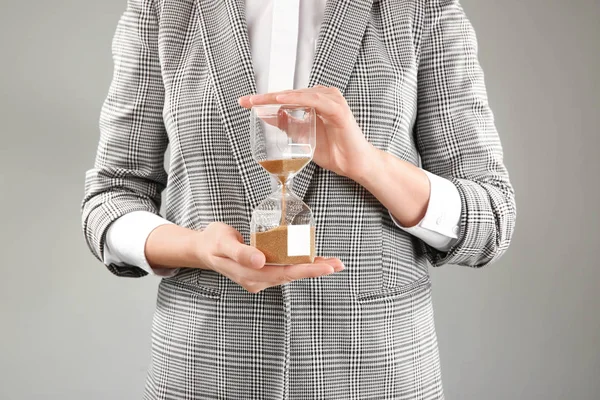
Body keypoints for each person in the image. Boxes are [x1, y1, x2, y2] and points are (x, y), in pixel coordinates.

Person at [81, 0, 516, 398]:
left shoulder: (418, 8)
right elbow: (112, 195)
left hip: (377, 374)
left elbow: (492, 220)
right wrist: (195, 248)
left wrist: (370, 165)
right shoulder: (165, 9)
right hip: (204, 371)